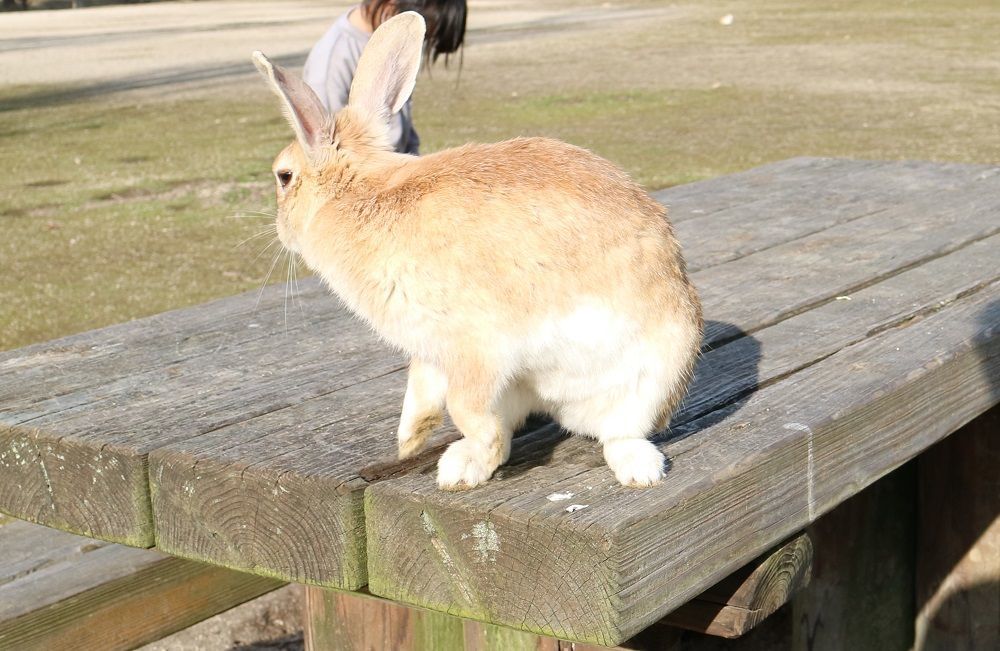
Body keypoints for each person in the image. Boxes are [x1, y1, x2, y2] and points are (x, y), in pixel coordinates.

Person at [303, 1, 467, 155]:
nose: (421, 43)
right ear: (391, 4)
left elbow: (402, 122)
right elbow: (329, 154)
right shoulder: (331, 66)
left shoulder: (392, 40)